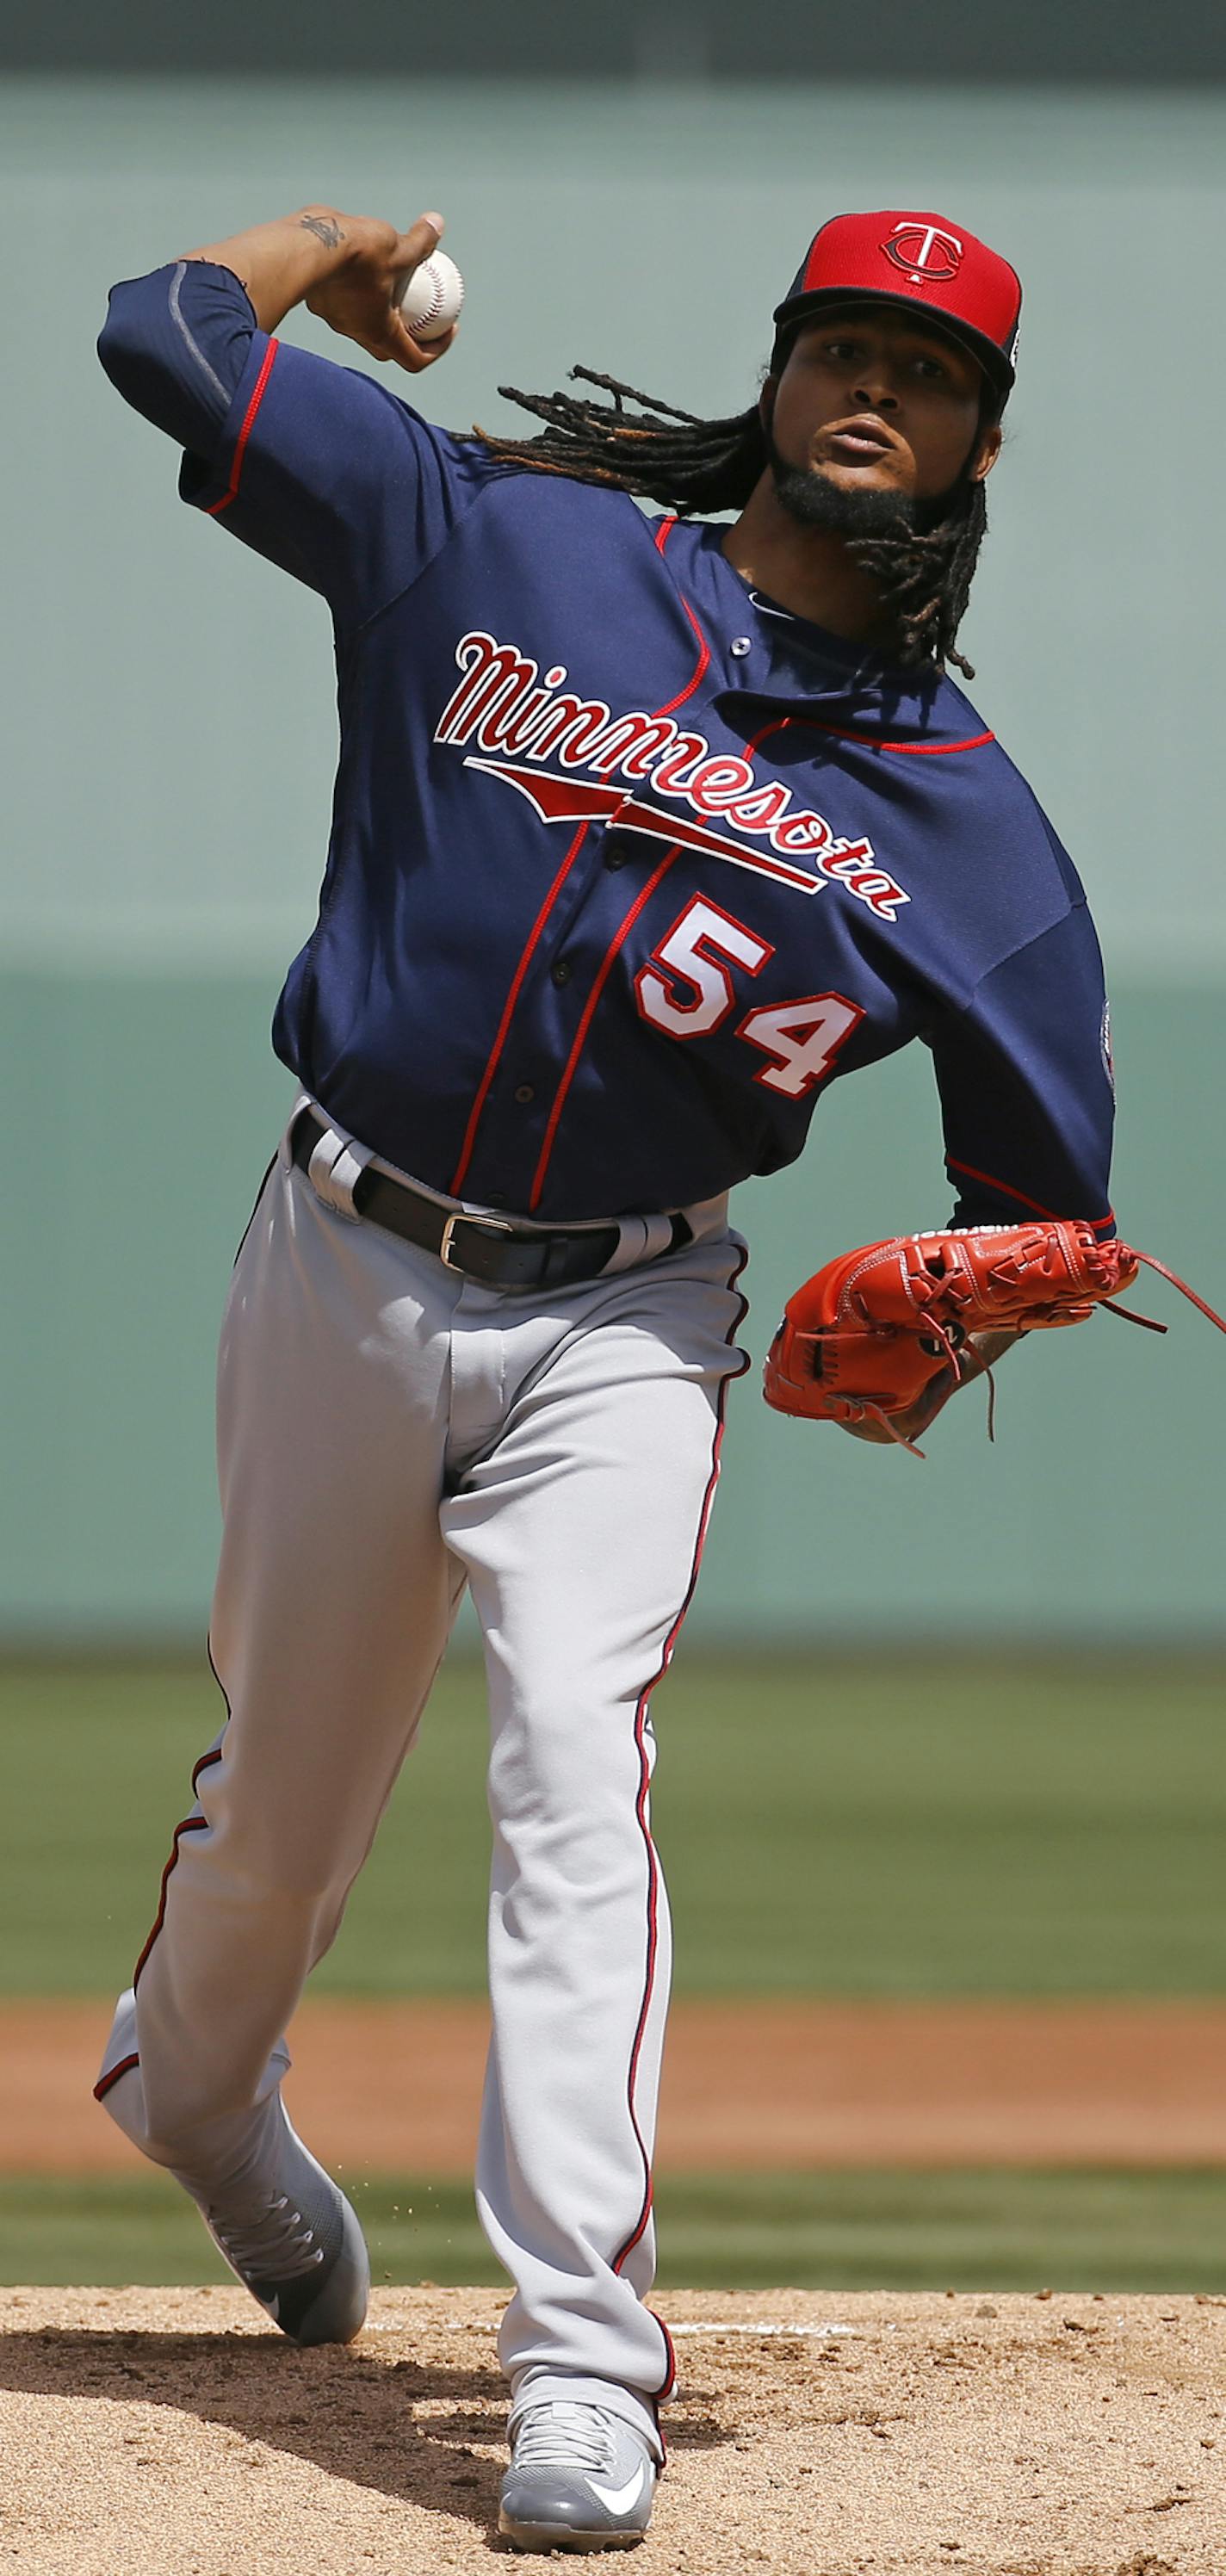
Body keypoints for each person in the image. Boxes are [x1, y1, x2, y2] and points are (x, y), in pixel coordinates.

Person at [93, 201, 1114, 2550]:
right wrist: (330, 244)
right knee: (288, 1807)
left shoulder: (970, 825)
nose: (881, 385)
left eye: (934, 369)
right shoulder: (505, 539)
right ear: (776, 372)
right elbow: (158, 336)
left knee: (579, 1757)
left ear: (977, 440)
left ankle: (581, 2365)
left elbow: (1045, 1188)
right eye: (845, 341)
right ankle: (203, 2098)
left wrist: (968, 1305)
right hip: (342, 1252)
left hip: (633, 1321)